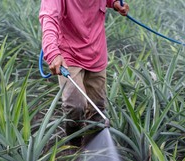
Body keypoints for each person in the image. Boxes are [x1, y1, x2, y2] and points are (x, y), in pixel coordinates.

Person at [39, 0, 129, 146]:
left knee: (97, 108)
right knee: (75, 106)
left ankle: (93, 152)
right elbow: (49, 17)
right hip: (69, 53)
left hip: (96, 52)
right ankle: (73, 148)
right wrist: (52, 52)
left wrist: (114, 3)